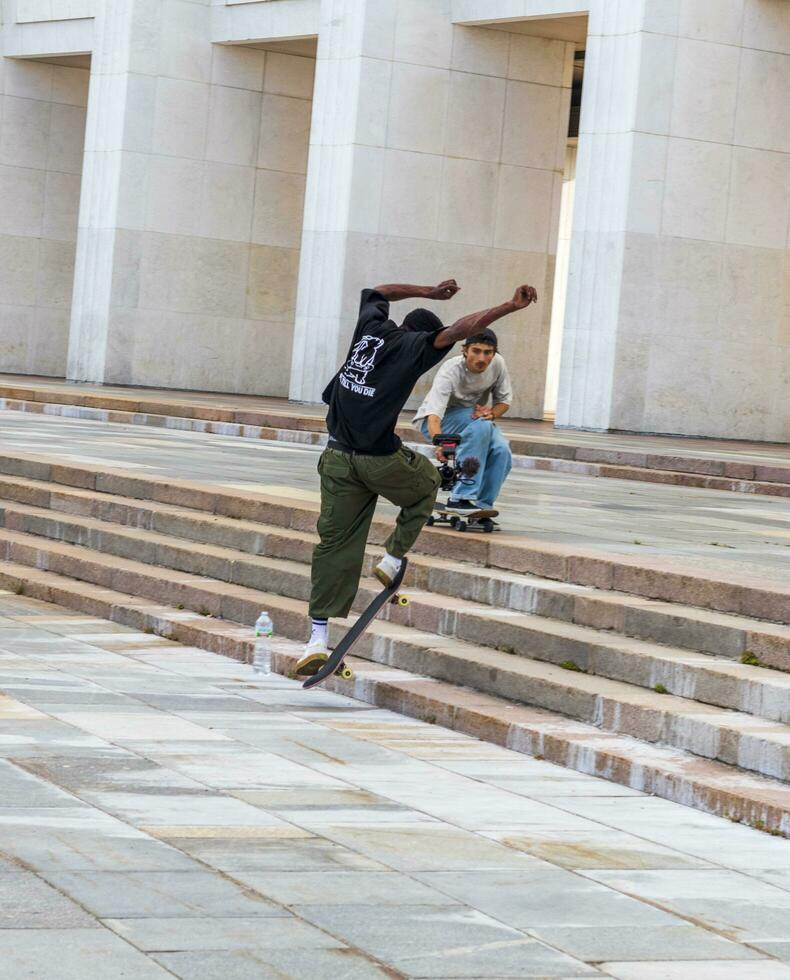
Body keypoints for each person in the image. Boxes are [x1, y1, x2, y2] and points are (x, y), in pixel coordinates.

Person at [296, 280, 538, 675]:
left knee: (334, 545)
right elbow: (462, 328)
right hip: (377, 460)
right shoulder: (416, 348)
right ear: (425, 336)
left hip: (336, 457)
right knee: (427, 483)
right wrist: (510, 306)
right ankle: (391, 559)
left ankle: (316, 638)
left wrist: (427, 291)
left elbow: (377, 290)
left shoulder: (370, 329)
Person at [412, 328, 513, 513]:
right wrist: (442, 443)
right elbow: (434, 416)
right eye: (476, 351)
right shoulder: (450, 371)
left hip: (473, 420)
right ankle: (460, 497)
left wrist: (491, 413)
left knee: (502, 450)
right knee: (481, 426)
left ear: (494, 353)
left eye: (488, 352)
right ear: (464, 350)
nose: (481, 358)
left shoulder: (498, 364)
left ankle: (482, 506)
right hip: (438, 424)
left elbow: (504, 401)